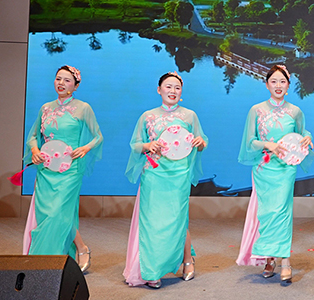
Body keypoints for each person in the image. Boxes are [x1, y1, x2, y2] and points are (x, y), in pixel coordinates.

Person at [123, 72, 207, 288]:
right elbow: (135, 144)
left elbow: (202, 141)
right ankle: (153, 270)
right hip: (154, 174)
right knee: (152, 222)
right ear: (159, 90)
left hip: (179, 175)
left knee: (178, 218)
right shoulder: (148, 116)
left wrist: (200, 142)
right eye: (168, 86)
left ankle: (187, 260)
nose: (172, 91)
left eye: (177, 87)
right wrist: (147, 145)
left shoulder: (189, 116)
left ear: (181, 92)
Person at [22, 65, 103, 272]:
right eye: (58, 79)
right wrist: (35, 150)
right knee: (49, 214)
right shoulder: (45, 108)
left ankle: (56, 259)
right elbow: (33, 136)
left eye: (67, 80)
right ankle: (76, 250)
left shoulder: (83, 108)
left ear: (76, 86)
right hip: (47, 170)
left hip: (71, 169)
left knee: (58, 212)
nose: (61, 83)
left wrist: (85, 148)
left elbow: (97, 136)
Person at [237, 65, 313, 283]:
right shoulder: (256, 110)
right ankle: (269, 258)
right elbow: (250, 142)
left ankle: (285, 260)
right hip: (264, 168)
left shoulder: (295, 111)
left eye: (282, 82)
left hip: (286, 168)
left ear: (288, 85)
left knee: (282, 211)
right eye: (274, 81)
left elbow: (301, 132)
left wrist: (307, 137)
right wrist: (267, 144)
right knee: (267, 213)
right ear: (266, 84)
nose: (278, 85)